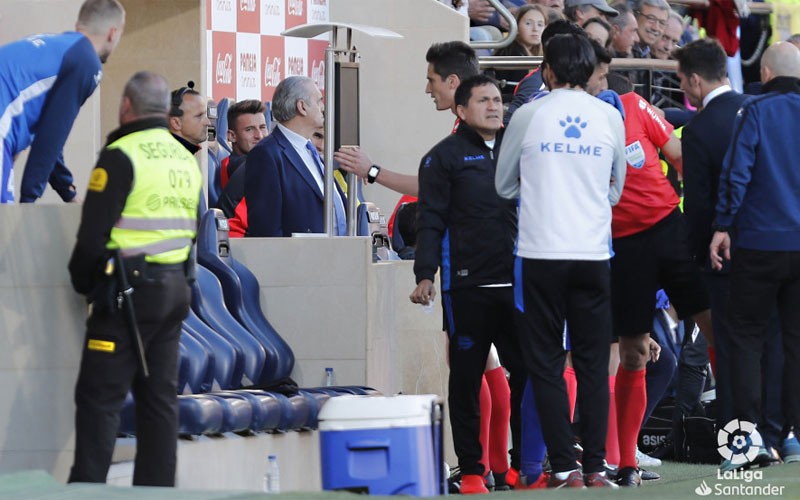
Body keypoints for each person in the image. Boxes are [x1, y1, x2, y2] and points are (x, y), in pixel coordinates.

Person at [496, 33, 626, 488]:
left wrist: (539, 193)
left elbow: (503, 186)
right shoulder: (611, 115)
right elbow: (616, 189)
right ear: (590, 71)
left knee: (547, 364)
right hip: (593, 253)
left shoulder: (527, 114)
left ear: (546, 71)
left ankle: (564, 467)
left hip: (539, 253)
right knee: (592, 364)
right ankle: (595, 467)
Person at [67, 71, 202, 486]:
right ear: (166, 111)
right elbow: (193, 229)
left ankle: (86, 492)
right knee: (159, 402)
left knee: (99, 400)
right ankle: (157, 493)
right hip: (174, 293)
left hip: (126, 295)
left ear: (126, 106)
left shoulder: (121, 154)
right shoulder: (185, 157)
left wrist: (87, 285)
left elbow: (91, 240)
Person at [410, 74, 525, 495]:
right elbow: (430, 221)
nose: (495, 107)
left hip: (518, 287)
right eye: (484, 101)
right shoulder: (441, 158)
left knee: (531, 372)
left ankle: (521, 466)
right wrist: (425, 274)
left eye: (498, 99)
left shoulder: (519, 149)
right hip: (467, 290)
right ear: (461, 110)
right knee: (466, 381)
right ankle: (474, 472)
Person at [604, 70, 717, 486]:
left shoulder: (636, 106)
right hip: (622, 247)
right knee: (633, 353)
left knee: (714, 328)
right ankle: (626, 461)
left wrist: (705, 217)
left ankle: (748, 434)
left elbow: (680, 155)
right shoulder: (575, 123)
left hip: (672, 229)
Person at [710, 41, 800, 469]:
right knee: (796, 342)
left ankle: (748, 441)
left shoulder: (756, 112)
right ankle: (793, 436)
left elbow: (737, 173)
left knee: (746, 339)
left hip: (760, 244)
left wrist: (723, 225)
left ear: (764, 74)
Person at [0, 0, 125, 204]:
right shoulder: (86, 61)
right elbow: (51, 136)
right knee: (4, 226)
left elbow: (50, 135)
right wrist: (28, 202)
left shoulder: (61, 48)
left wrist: (68, 191)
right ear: (113, 33)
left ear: (79, 25)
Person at [245, 76, 347, 237]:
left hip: (335, 255)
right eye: (319, 101)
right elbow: (266, 230)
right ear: (302, 107)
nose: (323, 107)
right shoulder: (266, 154)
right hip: (299, 259)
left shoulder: (311, 151)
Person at [492, 5, 549, 100]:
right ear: (516, 26)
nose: (535, 29)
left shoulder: (542, 53)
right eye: (528, 23)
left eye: (540, 24)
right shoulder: (511, 52)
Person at [220, 99, 268, 188]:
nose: (259, 136)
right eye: (249, 129)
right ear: (232, 136)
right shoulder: (237, 164)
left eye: (262, 127)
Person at [168, 82, 211, 154]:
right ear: (176, 123)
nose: (208, 122)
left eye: (205, 115)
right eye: (199, 116)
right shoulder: (171, 157)